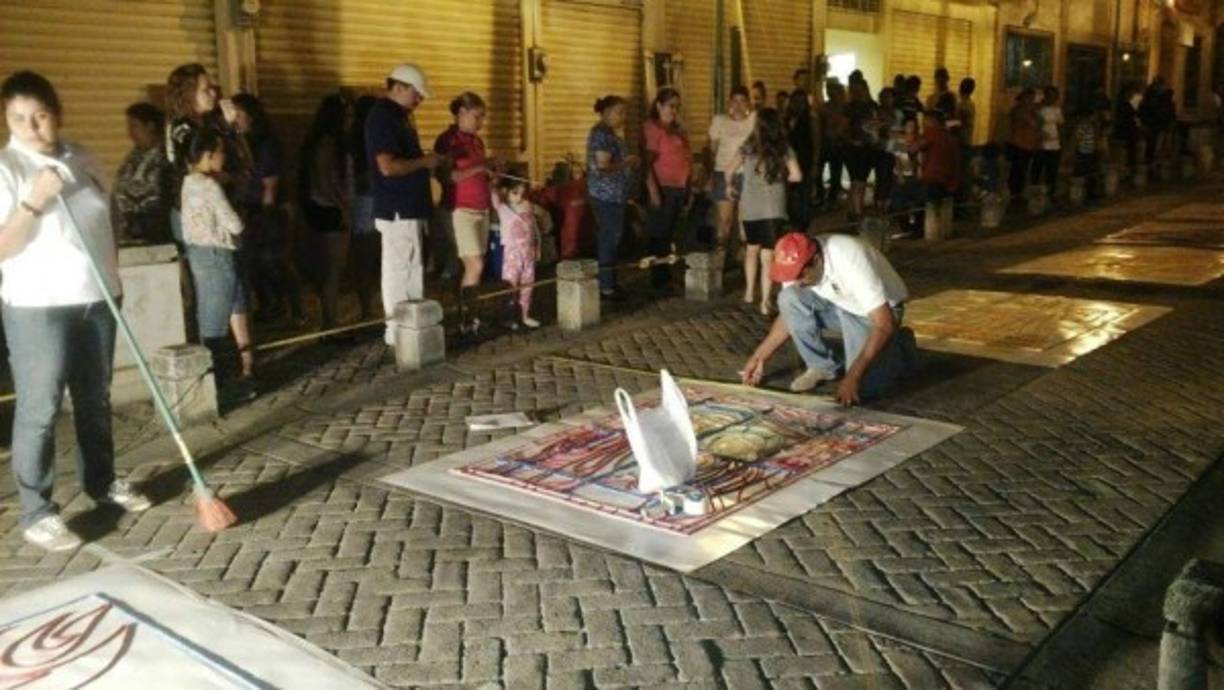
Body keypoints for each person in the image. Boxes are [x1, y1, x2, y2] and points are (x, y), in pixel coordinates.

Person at [0, 71, 152, 552]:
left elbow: (103, 219)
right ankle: (37, 511)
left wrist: (113, 274)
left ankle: (102, 483)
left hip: (96, 299)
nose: (31, 127)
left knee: (94, 399)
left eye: (40, 116)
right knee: (41, 408)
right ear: (7, 122)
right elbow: (4, 246)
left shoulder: (83, 157)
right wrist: (34, 201)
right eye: (19, 119)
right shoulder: (7, 168)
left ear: (56, 114)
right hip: (38, 306)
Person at [740, 232, 917, 406]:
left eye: (801, 275)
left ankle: (901, 347)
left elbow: (883, 323)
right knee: (788, 297)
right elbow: (789, 315)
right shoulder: (798, 269)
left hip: (875, 314)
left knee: (865, 388)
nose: (798, 282)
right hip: (839, 303)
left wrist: (853, 377)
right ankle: (821, 366)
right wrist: (759, 357)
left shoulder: (849, 258)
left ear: (816, 260)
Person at [365, 64, 439, 345]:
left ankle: (411, 324)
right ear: (398, 88)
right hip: (397, 206)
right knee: (399, 269)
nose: (419, 100)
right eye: (415, 94)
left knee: (412, 267)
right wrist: (425, 162)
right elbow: (387, 166)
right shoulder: (383, 117)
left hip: (409, 205)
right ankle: (397, 330)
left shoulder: (400, 116)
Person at [181, 128, 255, 393]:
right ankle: (222, 385)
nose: (224, 157)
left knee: (225, 313)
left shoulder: (188, 182)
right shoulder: (210, 186)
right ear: (209, 155)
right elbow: (234, 224)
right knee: (216, 326)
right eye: (221, 152)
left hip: (199, 254)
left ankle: (241, 373)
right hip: (218, 255)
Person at [231, 93, 304, 326]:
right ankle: (271, 306)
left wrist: (267, 216)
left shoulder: (264, 142)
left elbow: (269, 184)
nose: (234, 118)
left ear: (251, 115)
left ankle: (296, 309)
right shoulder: (240, 141)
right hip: (249, 209)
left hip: (269, 210)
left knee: (277, 261)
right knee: (254, 264)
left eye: (239, 113)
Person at [727, 108, 800, 316]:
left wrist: (730, 186)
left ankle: (749, 293)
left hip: (750, 205)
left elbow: (729, 170)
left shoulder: (748, 147)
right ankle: (765, 302)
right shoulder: (784, 148)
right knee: (768, 256)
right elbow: (797, 176)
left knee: (751, 249)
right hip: (773, 207)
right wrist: (780, 179)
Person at [435, 92, 493, 334]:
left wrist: (492, 171)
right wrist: (480, 167)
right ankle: (467, 318)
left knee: (475, 266)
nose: (480, 123)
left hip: (482, 208)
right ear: (461, 113)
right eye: (476, 117)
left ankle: (472, 315)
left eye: (483, 118)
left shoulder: (477, 141)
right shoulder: (448, 140)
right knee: (474, 265)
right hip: (461, 209)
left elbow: (480, 173)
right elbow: (447, 176)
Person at [299, 93, 352, 332]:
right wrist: (343, 207)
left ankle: (328, 319)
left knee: (328, 269)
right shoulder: (328, 143)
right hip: (327, 209)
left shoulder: (320, 141)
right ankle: (330, 322)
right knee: (332, 269)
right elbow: (325, 181)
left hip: (320, 207)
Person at [586, 94, 638, 300]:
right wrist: (627, 163)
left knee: (614, 238)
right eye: (619, 112)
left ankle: (611, 282)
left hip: (616, 194)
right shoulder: (601, 134)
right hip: (605, 194)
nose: (623, 116)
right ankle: (606, 286)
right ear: (606, 112)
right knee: (609, 238)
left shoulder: (611, 133)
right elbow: (603, 165)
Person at [643, 87, 691, 293]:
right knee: (660, 236)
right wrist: (653, 191)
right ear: (659, 105)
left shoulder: (676, 129)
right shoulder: (653, 128)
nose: (674, 110)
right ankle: (660, 280)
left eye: (677, 107)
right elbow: (647, 163)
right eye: (670, 106)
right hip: (664, 188)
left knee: (672, 236)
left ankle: (669, 277)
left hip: (679, 188)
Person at [113, 102, 172, 243]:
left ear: (150, 126)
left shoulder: (164, 156)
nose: (130, 133)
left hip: (154, 232)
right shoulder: (133, 157)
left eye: (135, 126)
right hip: (128, 233)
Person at [492, 176, 541, 330]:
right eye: (515, 192)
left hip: (528, 251)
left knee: (528, 284)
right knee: (511, 284)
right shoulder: (503, 208)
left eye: (522, 192)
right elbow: (493, 193)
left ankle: (525, 315)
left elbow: (535, 227)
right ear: (506, 192)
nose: (519, 196)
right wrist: (496, 179)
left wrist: (538, 245)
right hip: (513, 252)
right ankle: (508, 316)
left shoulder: (527, 206)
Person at [708, 86, 754, 249]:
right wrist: (710, 175)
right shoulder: (720, 120)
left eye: (743, 100)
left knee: (745, 223)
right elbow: (713, 148)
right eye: (735, 100)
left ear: (748, 103)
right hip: (723, 173)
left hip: (747, 174)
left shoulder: (753, 121)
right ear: (729, 102)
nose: (739, 105)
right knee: (724, 221)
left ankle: (744, 264)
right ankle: (719, 259)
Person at [349, 95, 380, 321]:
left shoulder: (353, 137)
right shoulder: (364, 138)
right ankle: (367, 307)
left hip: (362, 199)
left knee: (365, 254)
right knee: (367, 254)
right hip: (366, 199)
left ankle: (367, 306)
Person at [843, 79, 879, 220]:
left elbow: (876, 124)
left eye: (859, 90)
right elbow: (844, 127)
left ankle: (852, 212)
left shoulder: (872, 106)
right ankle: (857, 213)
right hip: (854, 148)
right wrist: (851, 140)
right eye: (854, 91)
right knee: (857, 181)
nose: (856, 93)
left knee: (858, 181)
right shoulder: (850, 107)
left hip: (868, 147)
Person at [784, 88, 814, 229]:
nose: (798, 105)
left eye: (801, 102)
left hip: (805, 159)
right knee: (789, 193)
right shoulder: (786, 118)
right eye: (795, 101)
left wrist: (816, 163)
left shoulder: (811, 119)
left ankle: (803, 224)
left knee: (804, 193)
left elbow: (817, 141)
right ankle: (790, 219)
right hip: (788, 160)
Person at [1007, 88, 1039, 197]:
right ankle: (1014, 192)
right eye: (1029, 98)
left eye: (1032, 99)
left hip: (1028, 145)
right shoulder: (1019, 111)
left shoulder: (1031, 111)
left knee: (1023, 170)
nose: (1031, 101)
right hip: (1018, 144)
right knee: (1017, 170)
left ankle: (1019, 192)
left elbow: (1038, 122)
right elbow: (1032, 123)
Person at [1034, 86, 1063, 197]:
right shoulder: (1039, 108)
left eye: (1054, 96)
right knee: (1038, 169)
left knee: (1052, 171)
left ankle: (1050, 193)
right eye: (1050, 95)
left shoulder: (1057, 109)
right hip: (1041, 144)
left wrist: (1061, 141)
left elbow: (1060, 126)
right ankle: (1035, 193)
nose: (1052, 98)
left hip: (1054, 144)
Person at [1071, 102, 1102, 202]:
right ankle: (1082, 195)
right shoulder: (1083, 126)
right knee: (1083, 173)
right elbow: (1076, 139)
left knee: (1092, 174)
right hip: (1084, 152)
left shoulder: (1092, 126)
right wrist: (1074, 152)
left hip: (1091, 151)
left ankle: (1090, 194)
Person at [1112, 83, 1143, 170]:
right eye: (1131, 93)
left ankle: (1130, 167)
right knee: (1131, 149)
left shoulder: (1127, 105)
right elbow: (1126, 119)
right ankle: (1130, 167)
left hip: (1128, 131)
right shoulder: (1124, 105)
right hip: (1126, 131)